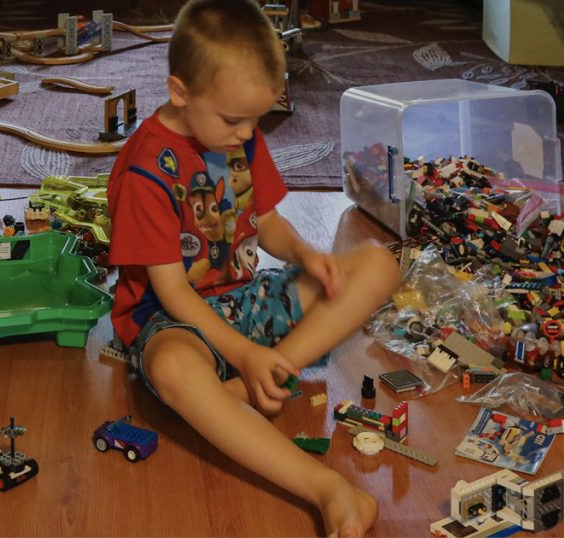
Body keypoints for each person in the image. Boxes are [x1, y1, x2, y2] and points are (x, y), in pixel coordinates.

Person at [106, 0, 399, 534]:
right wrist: (244, 353)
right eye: (234, 120)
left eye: (256, 120)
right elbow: (173, 293)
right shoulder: (146, 173)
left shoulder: (237, 133)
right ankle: (327, 488)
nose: (246, 134)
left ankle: (253, 386)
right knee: (173, 368)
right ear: (179, 92)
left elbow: (265, 221)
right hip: (173, 323)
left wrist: (307, 255)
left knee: (377, 263)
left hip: (245, 302)